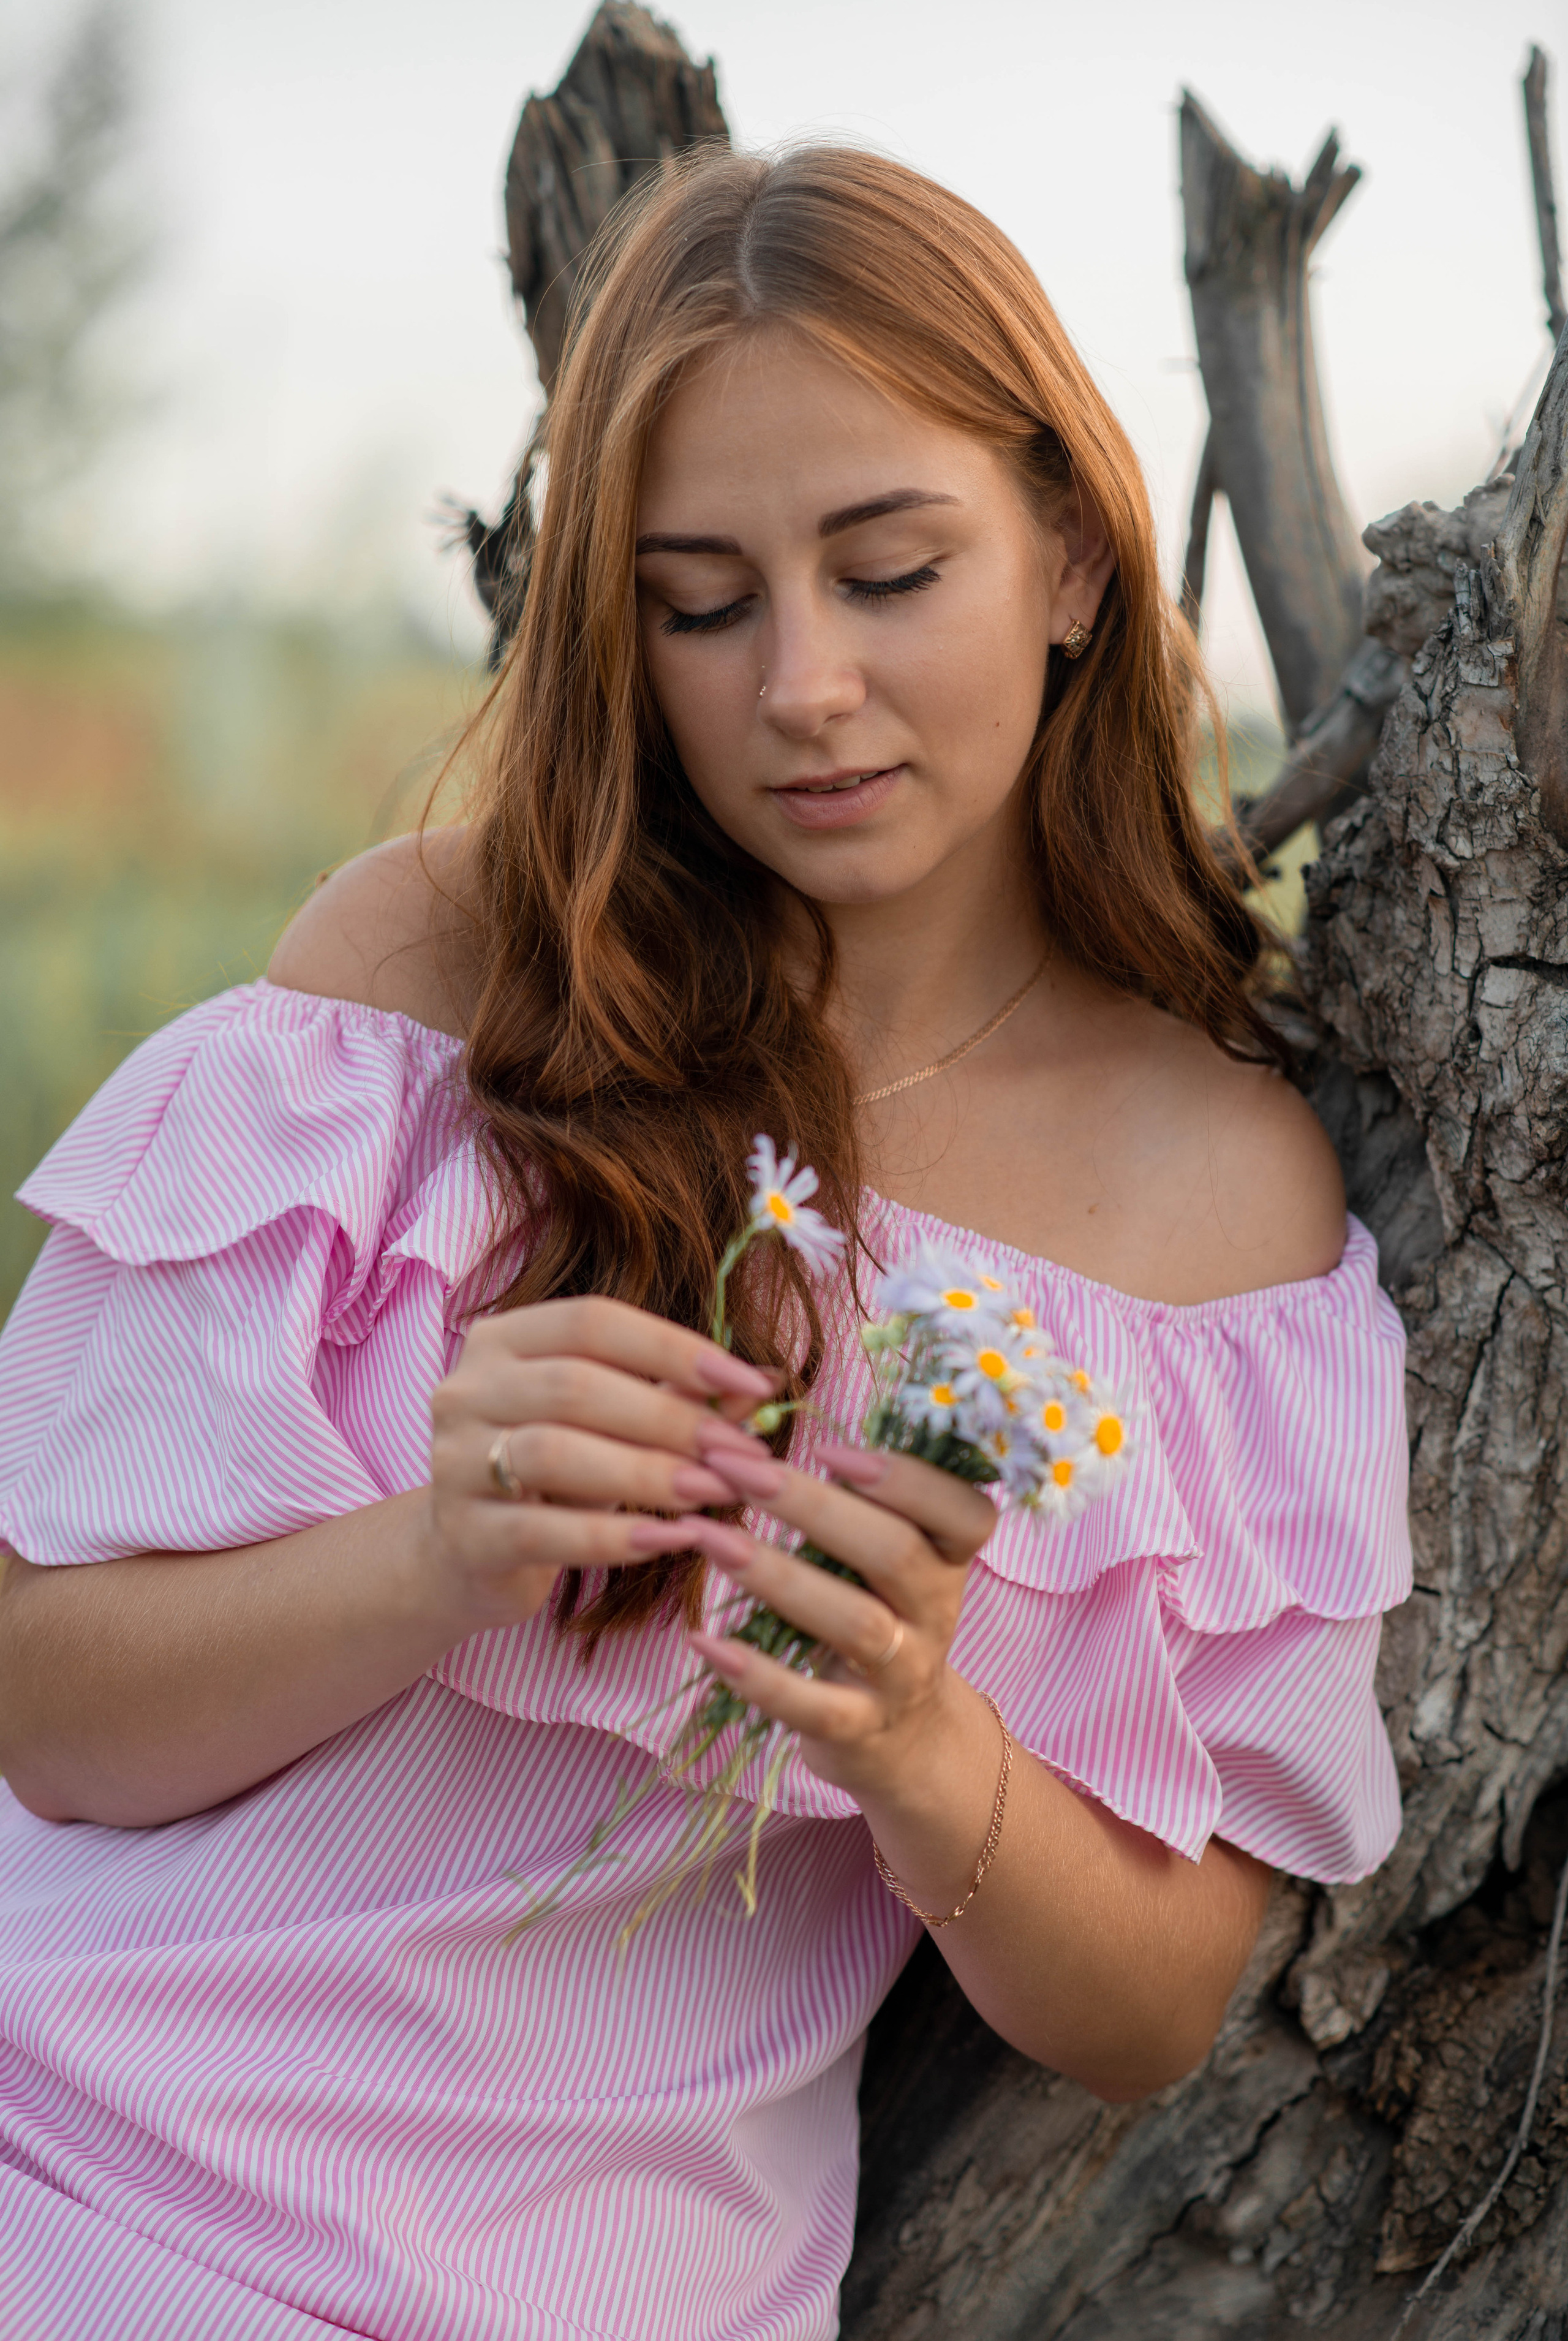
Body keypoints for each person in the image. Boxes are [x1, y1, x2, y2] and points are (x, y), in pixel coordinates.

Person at [0, 146, 1411, 2340]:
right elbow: (49, 1709)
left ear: (1061, 552)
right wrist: (437, 1552)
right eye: (703, 598)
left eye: (888, 568)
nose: (806, 687)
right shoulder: (429, 976)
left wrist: (920, 1734)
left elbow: (1156, 1999)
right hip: (72, 2160)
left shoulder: (1218, 1202)